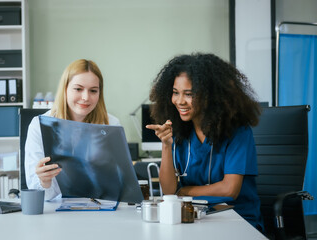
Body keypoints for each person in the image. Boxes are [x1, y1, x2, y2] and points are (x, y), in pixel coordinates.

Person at [146, 53, 264, 231]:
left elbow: (229, 189)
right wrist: (166, 145)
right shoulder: (179, 132)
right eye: (175, 93)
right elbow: (170, 192)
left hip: (237, 220)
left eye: (189, 94)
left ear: (210, 95)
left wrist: (185, 192)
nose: (179, 101)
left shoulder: (237, 131)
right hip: (194, 218)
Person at [25, 59, 120, 200]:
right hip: (55, 210)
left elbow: (118, 183)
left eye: (93, 91)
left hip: (100, 207)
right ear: (65, 89)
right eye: (78, 89)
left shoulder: (111, 124)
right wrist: (44, 181)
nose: (85, 97)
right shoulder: (39, 125)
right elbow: (37, 193)